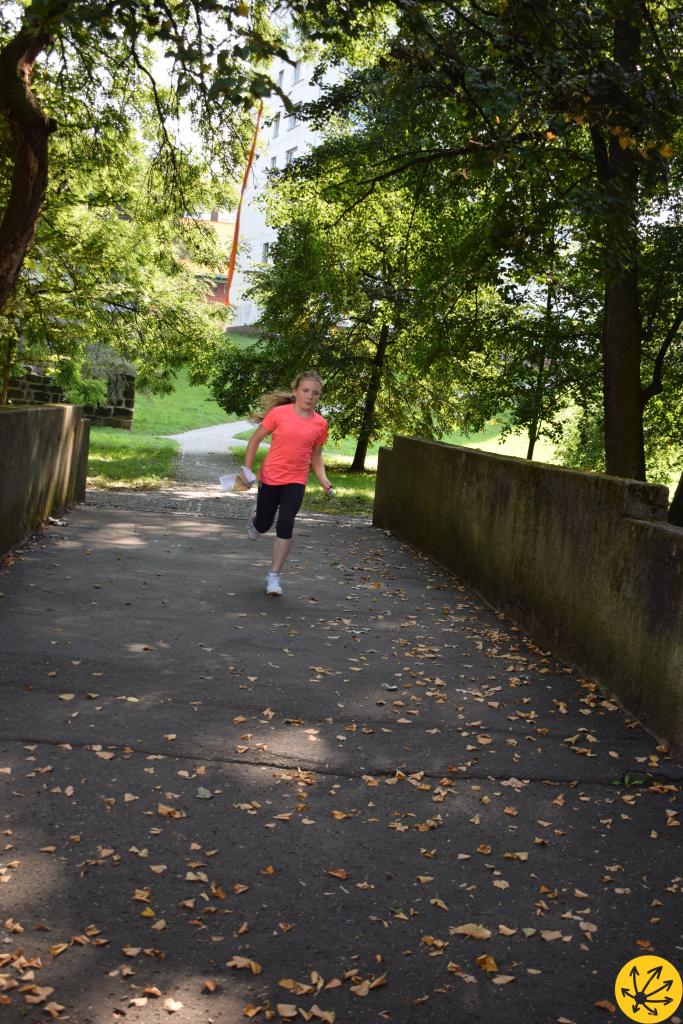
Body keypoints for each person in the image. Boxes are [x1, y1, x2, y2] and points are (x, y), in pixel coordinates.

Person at [243, 370, 332, 595]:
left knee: (285, 523)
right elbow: (255, 439)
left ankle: (273, 576)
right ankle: (255, 519)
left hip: (296, 480)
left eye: (315, 393)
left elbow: (316, 455)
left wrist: (322, 478)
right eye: (305, 390)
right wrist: (246, 469)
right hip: (270, 477)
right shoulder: (279, 414)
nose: (310, 396)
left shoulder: (320, 424)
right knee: (264, 526)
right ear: (295, 391)